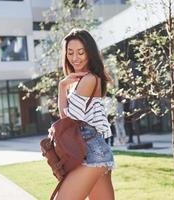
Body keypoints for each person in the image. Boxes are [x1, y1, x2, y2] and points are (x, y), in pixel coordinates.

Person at [53, 28, 115, 200]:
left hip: (91, 153)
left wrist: (61, 88)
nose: (75, 58)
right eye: (70, 53)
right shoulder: (83, 79)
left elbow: (68, 121)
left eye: (81, 52)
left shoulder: (89, 80)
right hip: (96, 150)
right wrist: (65, 86)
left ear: (90, 53)